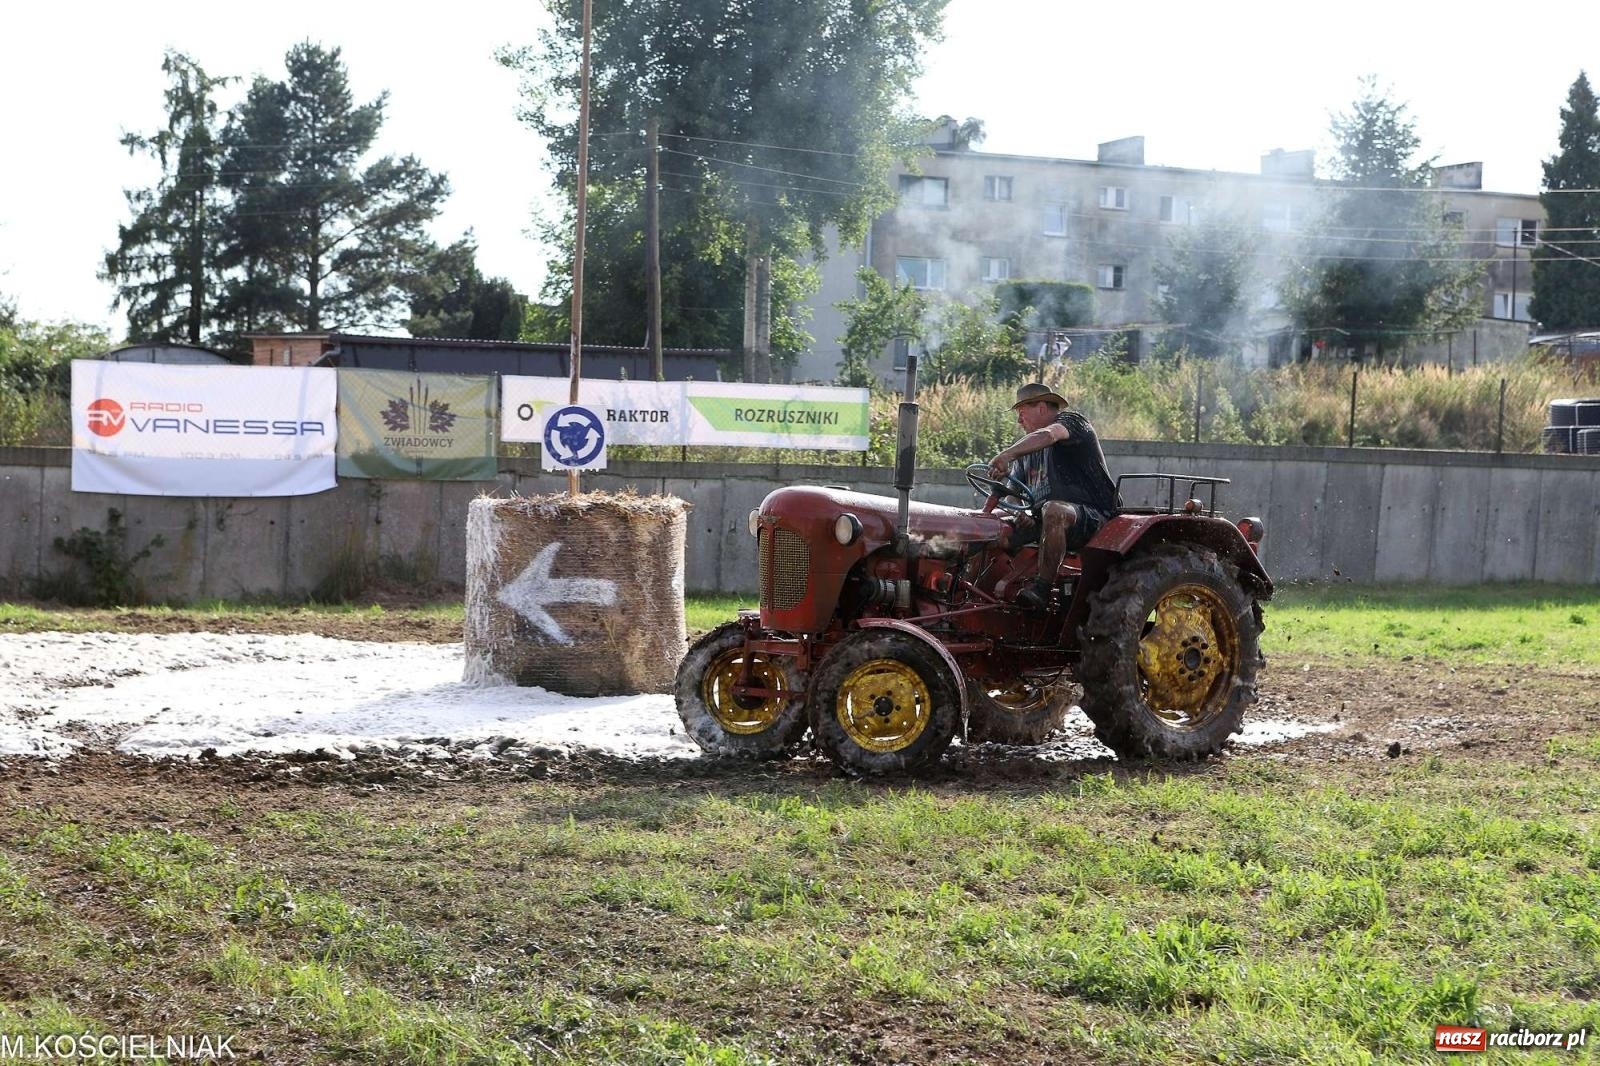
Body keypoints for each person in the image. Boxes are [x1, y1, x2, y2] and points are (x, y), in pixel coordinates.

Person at [986, 382, 1118, 610]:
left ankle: (1042, 589)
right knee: (995, 531)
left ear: (1041, 408)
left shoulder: (1071, 423)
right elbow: (1012, 494)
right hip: (1047, 519)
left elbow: (1049, 434)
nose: (1019, 421)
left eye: (1021, 413)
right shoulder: (1028, 455)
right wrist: (1020, 513)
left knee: (1054, 510)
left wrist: (1007, 453)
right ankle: (978, 597)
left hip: (1094, 518)